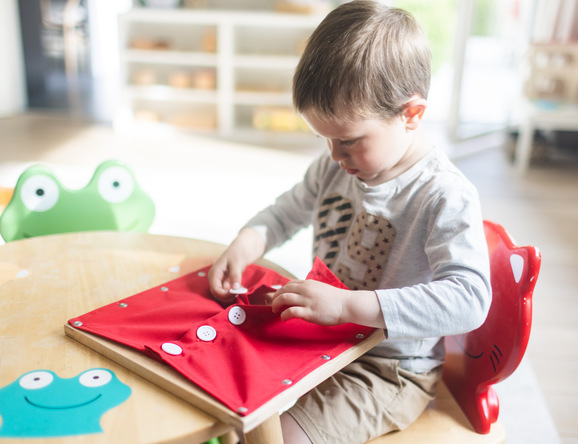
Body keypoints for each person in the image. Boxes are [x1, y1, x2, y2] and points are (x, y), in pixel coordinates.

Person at [208, 1, 492, 443]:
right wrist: (246, 244)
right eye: (324, 139)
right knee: (217, 385)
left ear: (411, 114)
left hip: (388, 369)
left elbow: (470, 299)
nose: (334, 157)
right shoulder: (336, 166)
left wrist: (346, 308)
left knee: (274, 437)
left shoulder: (444, 195)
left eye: (348, 141)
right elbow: (287, 210)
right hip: (323, 340)